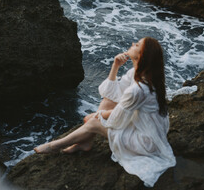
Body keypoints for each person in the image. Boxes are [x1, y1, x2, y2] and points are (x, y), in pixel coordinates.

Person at [34, 37, 176, 187]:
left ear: (141, 56)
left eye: (137, 45)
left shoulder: (139, 89)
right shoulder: (138, 73)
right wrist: (115, 66)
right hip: (145, 127)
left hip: (145, 142)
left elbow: (118, 118)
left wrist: (97, 116)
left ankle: (55, 146)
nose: (133, 44)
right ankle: (86, 141)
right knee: (107, 101)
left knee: (93, 121)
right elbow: (112, 93)